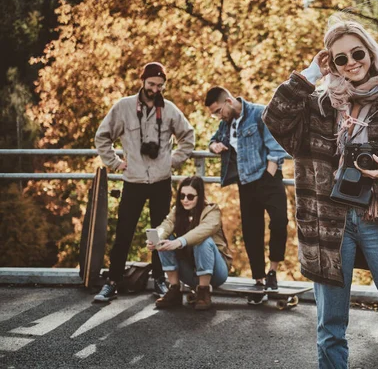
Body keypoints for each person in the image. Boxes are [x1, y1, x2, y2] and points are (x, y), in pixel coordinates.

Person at [262, 17, 378, 368]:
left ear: (371, 53)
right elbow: (275, 119)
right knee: (330, 328)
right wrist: (309, 75)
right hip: (328, 225)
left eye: (357, 53)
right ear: (331, 64)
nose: (351, 63)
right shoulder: (317, 106)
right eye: (340, 59)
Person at [94, 62, 195, 302]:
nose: (155, 89)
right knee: (124, 233)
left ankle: (160, 281)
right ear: (143, 81)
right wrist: (116, 163)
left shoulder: (169, 109)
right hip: (133, 180)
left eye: (160, 85)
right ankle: (112, 281)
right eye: (151, 84)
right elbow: (102, 136)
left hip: (161, 180)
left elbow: (188, 137)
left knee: (159, 235)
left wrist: (172, 161)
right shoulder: (124, 107)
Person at [204, 86, 288, 304]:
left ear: (229, 101)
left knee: (279, 222)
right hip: (245, 183)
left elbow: (277, 148)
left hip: (268, 180)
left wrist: (268, 177)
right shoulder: (226, 124)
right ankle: (259, 280)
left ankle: (273, 272)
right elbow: (212, 140)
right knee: (252, 232)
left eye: (218, 111)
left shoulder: (260, 113)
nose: (217, 116)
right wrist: (215, 146)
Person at [147, 176, 233, 310]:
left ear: (199, 196)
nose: (185, 200)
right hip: (190, 272)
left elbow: (202, 231)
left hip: (216, 273)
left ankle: (204, 291)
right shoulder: (178, 210)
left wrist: (180, 241)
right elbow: (166, 225)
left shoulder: (212, 210)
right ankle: (174, 290)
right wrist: (155, 240)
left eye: (190, 196)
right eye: (182, 196)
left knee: (202, 239)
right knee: (165, 241)